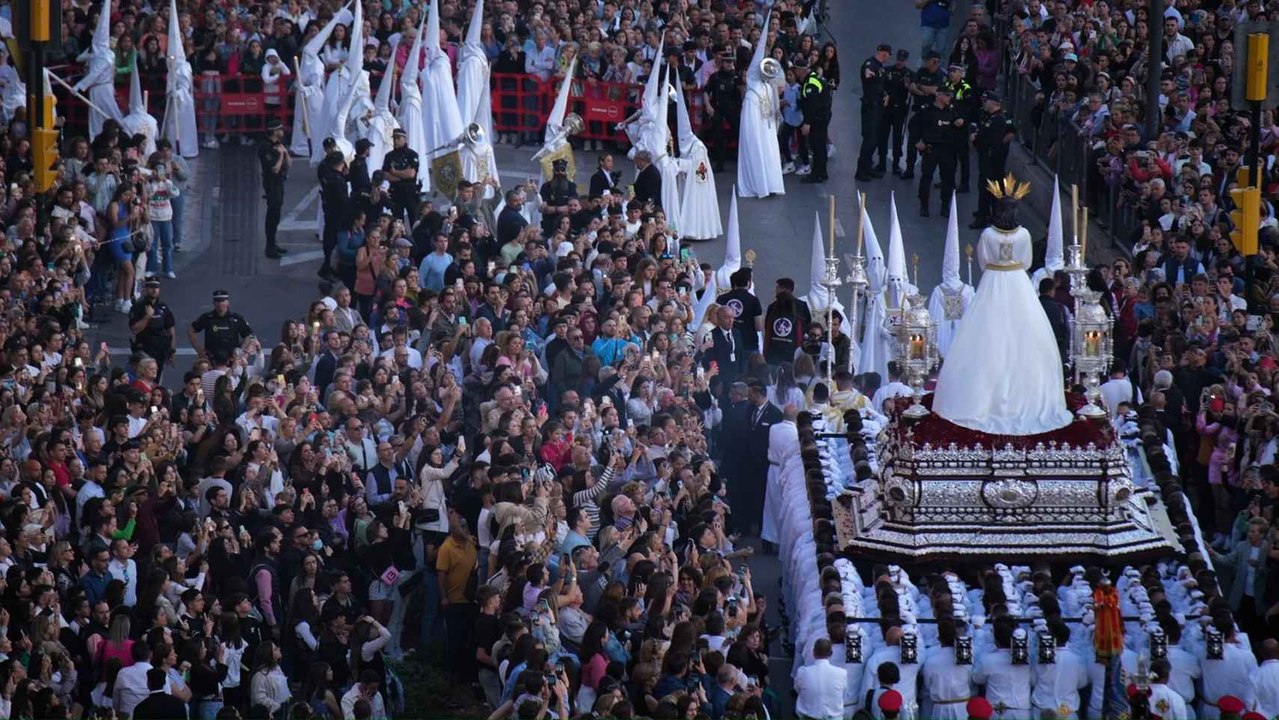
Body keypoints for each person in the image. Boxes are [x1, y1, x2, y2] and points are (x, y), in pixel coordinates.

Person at [932, 175, 1073, 434]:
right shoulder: (1024, 234)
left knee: (987, 337)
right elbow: (1028, 261)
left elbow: (984, 261)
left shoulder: (987, 234)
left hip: (993, 283)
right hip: (1018, 283)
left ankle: (982, 399)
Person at [969, 92, 1016, 229]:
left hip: (992, 157)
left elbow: (991, 137)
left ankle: (985, 216)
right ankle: (989, 212)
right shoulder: (988, 116)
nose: (984, 103)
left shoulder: (998, 119)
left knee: (988, 186)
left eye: (987, 100)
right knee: (987, 185)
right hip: (987, 155)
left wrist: (976, 138)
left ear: (994, 103)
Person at [915, 85, 962, 218]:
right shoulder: (927, 110)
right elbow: (914, 126)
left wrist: (959, 123)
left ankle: (945, 205)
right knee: (926, 177)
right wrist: (918, 141)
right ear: (939, 95)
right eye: (947, 95)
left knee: (948, 178)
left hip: (947, 149)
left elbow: (957, 127)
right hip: (931, 148)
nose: (949, 98)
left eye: (950, 96)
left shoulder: (952, 111)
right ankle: (924, 204)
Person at [129, 278, 177, 383]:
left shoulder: (163, 307)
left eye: (156, 287)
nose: (154, 290)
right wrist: (147, 317)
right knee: (142, 379)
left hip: (160, 350)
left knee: (156, 379)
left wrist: (172, 351)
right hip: (144, 351)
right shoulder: (138, 307)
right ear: (146, 289)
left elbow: (171, 330)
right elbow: (135, 330)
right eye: (151, 287)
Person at [856, 44, 890, 183]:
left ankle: (868, 166)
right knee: (869, 139)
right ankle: (861, 170)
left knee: (874, 138)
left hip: (878, 107)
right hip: (871, 107)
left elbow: (880, 85)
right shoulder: (870, 65)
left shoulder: (879, 66)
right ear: (884, 53)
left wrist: (885, 94)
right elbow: (869, 81)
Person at [188, 290, 254, 361]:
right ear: (213, 303)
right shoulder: (207, 318)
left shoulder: (237, 318)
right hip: (211, 360)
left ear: (228, 302)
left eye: (222, 301)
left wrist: (240, 351)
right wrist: (199, 350)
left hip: (232, 360)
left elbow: (249, 336)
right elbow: (190, 331)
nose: (220, 304)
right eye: (217, 301)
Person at [258, 118, 290, 259]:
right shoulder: (265, 147)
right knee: (272, 215)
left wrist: (286, 153)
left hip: (280, 182)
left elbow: (289, 164)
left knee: (276, 215)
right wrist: (281, 155)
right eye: (280, 130)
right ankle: (269, 247)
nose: (282, 132)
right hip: (272, 184)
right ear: (274, 132)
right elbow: (274, 169)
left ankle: (273, 243)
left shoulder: (278, 144)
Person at [879, 49, 912, 177]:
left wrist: (908, 85)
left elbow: (912, 88)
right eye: (899, 59)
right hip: (887, 108)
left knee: (897, 138)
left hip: (899, 109)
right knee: (883, 136)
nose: (900, 62)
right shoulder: (887, 70)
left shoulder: (908, 74)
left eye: (902, 60)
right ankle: (881, 163)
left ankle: (896, 164)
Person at [799, 64, 833, 184]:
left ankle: (816, 174)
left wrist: (807, 123)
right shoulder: (814, 78)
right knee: (821, 146)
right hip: (822, 117)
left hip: (817, 119)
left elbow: (811, 104)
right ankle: (822, 172)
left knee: (816, 146)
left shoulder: (811, 83)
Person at [795, 638, 846, 720]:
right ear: (831, 653)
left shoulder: (803, 672)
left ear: (813, 652)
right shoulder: (842, 673)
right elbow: (843, 694)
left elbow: (797, 689)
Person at [383, 128, 420, 224]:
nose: (395, 141)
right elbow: (386, 174)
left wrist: (394, 172)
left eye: (398, 138)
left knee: (414, 218)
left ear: (405, 139)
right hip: (396, 191)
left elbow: (411, 174)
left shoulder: (412, 154)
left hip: (410, 191)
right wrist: (403, 174)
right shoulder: (389, 156)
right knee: (397, 220)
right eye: (394, 138)